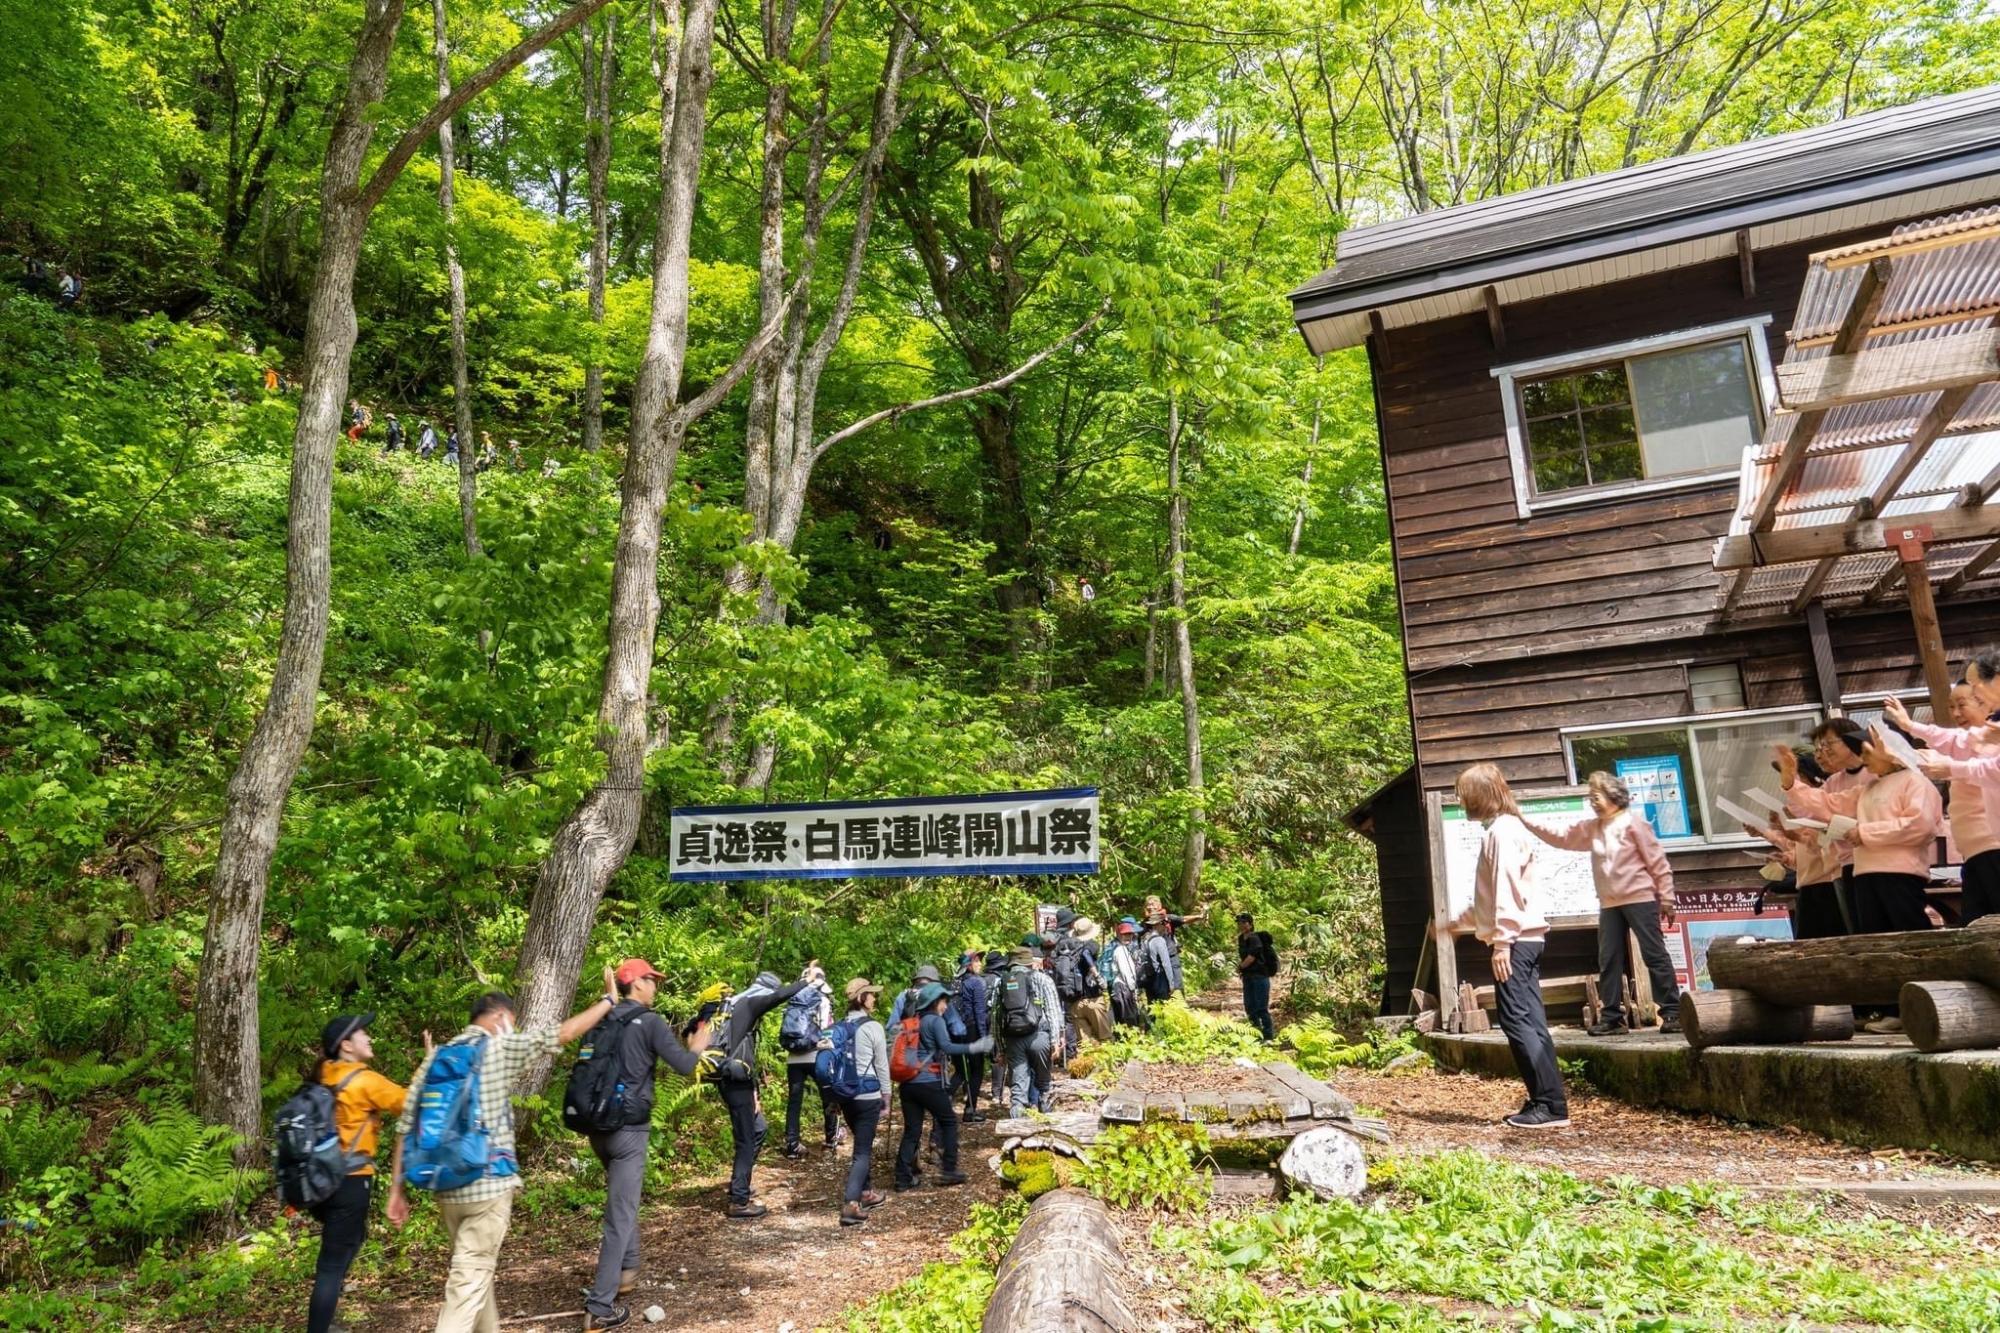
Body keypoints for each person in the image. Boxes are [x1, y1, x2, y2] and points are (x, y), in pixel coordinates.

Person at [388, 971, 624, 1333]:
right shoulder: (498, 1047)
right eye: (511, 1023)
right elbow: (560, 1034)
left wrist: (396, 1191)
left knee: (475, 1273)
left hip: (445, 1186)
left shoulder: (436, 1058)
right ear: (499, 1018)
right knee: (467, 1285)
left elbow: (405, 1127)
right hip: (488, 1186)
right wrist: (608, 1001)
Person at [579, 959, 711, 1332]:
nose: (656, 987)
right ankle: (599, 1308)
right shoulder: (649, 1022)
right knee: (619, 1215)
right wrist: (697, 1046)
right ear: (636, 984)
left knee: (625, 1201)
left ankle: (627, 1271)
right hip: (628, 1131)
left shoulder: (603, 1015)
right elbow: (684, 1066)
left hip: (596, 1127)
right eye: (652, 980)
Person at [1520, 772, 1684, 1036]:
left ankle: (1673, 1012)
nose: (1593, 802)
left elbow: (1658, 863)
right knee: (1609, 959)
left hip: (1640, 898)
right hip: (1609, 903)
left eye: (1596, 797)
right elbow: (1561, 836)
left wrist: (1667, 898)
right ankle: (1612, 1018)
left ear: (1613, 796)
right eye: (1590, 798)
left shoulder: (1634, 823)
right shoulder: (1593, 827)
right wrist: (1524, 820)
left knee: (1654, 954)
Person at [1457, 762, 1568, 1130]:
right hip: (1527, 938)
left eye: (1465, 795)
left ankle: (1548, 1106)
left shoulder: (1501, 833)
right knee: (1531, 1020)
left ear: (1482, 797)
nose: (1461, 801)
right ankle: (1549, 1100)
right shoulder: (1507, 830)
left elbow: (1506, 890)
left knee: (1516, 1020)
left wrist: (1502, 943)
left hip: (1516, 941)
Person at [1779, 724, 1943, 934]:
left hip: (1901, 872)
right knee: (1871, 936)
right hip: (1863, 873)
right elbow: (1828, 803)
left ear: (1891, 750)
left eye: (1867, 751)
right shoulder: (1868, 788)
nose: (1862, 757)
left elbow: (1920, 826)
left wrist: (1864, 833)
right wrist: (1791, 785)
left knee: (1909, 931)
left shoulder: (1915, 782)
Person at [305, 1012, 408, 1333]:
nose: (370, 1038)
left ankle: (326, 1319)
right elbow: (410, 1102)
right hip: (350, 1182)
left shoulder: (323, 1074)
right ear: (346, 1045)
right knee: (331, 1264)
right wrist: (430, 1066)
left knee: (353, 1238)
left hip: (317, 1180)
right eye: (363, 1033)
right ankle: (319, 1329)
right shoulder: (364, 1080)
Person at [685, 971, 810, 1219]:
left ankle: (739, 1183)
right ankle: (739, 1201)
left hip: (736, 1080)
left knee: (758, 1128)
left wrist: (754, 1092)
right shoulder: (749, 1004)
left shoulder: (731, 1009)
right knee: (746, 1137)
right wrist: (808, 981)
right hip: (734, 1080)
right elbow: (779, 996)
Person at [1897, 660, 2000, 925]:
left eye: (1969, 698)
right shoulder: (1984, 733)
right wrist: (1909, 729)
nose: (1955, 713)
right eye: (1951, 707)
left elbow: (1989, 768)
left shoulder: (1988, 734)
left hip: (1992, 845)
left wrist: (1950, 767)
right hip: (1977, 849)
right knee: (1976, 926)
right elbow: (1954, 741)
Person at [893, 982, 991, 1191]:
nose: (946, 1005)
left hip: (907, 1085)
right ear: (934, 1002)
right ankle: (949, 1170)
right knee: (948, 1121)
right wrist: (975, 1046)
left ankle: (902, 1178)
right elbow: (947, 1047)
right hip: (928, 1081)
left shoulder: (913, 1022)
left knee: (912, 1131)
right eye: (944, 1001)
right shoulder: (935, 1021)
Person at [830, 978, 890, 1226]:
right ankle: (851, 1203)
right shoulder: (872, 1027)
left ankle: (867, 1193)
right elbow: (881, 1065)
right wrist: (887, 1096)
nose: (874, 998)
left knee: (861, 1143)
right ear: (862, 998)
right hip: (867, 1095)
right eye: (871, 995)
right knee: (862, 1152)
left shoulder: (839, 1026)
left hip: (845, 1095)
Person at [781, 962, 840, 1159]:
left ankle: (792, 1144)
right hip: (816, 1054)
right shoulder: (821, 999)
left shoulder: (794, 999)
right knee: (828, 1096)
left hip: (793, 1058)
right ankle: (831, 1140)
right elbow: (825, 1028)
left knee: (794, 1101)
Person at [999, 945, 1060, 1115]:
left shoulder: (1002, 982)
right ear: (1029, 962)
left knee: (1018, 1091)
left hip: (1013, 1039)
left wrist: (1000, 1048)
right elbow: (1053, 1012)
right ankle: (1046, 1123)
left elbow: (996, 1018)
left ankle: (1017, 1129)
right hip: (1040, 1037)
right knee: (1044, 1085)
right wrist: (1055, 1040)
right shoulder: (1042, 979)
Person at [951, 951, 990, 1122]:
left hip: (954, 1032)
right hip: (972, 1031)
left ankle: (942, 1101)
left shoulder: (953, 983)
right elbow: (980, 1012)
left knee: (960, 1071)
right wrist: (984, 1038)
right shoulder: (976, 983)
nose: (980, 964)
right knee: (976, 1070)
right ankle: (970, 1110)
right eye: (977, 961)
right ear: (969, 965)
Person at [1235, 912, 1280, 1041]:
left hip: (1260, 976)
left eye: (1244, 922)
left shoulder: (1254, 938)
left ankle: (1268, 1035)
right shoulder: (1241, 939)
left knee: (1261, 1007)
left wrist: (1240, 967)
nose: (1242, 925)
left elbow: (1252, 957)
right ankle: (1255, 1033)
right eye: (1240, 923)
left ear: (1250, 924)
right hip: (1248, 976)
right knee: (1250, 1006)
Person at [1069, 918, 1113, 1042]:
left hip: (1076, 1001)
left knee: (1086, 1044)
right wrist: (1097, 974)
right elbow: (1086, 954)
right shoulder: (1091, 944)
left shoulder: (1071, 946)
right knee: (1105, 1038)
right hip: (1093, 999)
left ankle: (1090, 1061)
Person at [1106, 918, 1146, 1029]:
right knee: (1128, 1017)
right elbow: (1125, 972)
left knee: (1123, 1017)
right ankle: (1128, 1040)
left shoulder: (1122, 948)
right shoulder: (1120, 950)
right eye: (1124, 934)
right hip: (1122, 987)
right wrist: (1133, 988)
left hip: (1120, 986)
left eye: (1130, 934)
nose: (1127, 937)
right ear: (1119, 934)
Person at [1138, 913, 1176, 1005]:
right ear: (1157, 925)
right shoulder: (1159, 940)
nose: (1165, 927)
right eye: (1164, 924)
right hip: (1160, 978)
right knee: (1164, 1009)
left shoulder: (1144, 939)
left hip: (1148, 978)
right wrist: (1171, 984)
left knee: (1153, 1007)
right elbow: (1165, 963)